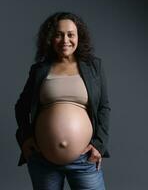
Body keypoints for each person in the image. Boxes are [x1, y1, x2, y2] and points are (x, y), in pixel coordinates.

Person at [15, 11, 111, 190]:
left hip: (84, 160)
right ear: (51, 39)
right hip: (42, 159)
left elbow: (104, 108)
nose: (65, 40)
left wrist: (99, 144)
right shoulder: (40, 70)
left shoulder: (93, 67)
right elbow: (21, 107)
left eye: (70, 34)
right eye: (58, 35)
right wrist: (26, 138)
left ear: (78, 37)